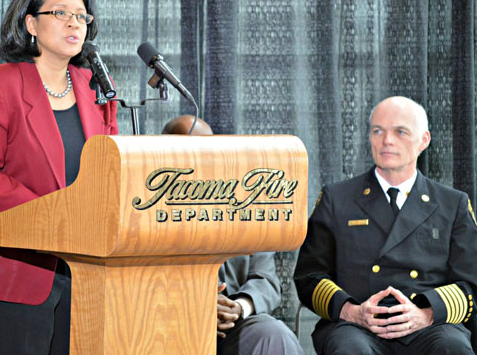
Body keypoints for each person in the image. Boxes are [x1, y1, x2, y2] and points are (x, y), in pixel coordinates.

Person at [0, 0, 117, 355]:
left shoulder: (97, 92)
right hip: (10, 271)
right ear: (30, 23)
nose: (75, 22)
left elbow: (110, 175)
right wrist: (54, 219)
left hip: (83, 272)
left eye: (82, 16)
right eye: (61, 13)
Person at [294, 96, 477, 354]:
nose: (387, 140)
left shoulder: (452, 204)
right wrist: (351, 312)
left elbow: (470, 282)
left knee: (453, 347)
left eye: (400, 132)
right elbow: (309, 276)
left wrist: (427, 313)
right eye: (377, 131)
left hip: (430, 327)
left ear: (423, 140)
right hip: (356, 326)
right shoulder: (337, 199)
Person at [163, 115, 304, 355]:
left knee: (274, 334)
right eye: (187, 151)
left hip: (234, 325)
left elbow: (266, 281)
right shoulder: (148, 208)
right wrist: (197, 308)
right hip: (168, 325)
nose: (199, 160)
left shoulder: (245, 207)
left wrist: (237, 307)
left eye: (207, 151)